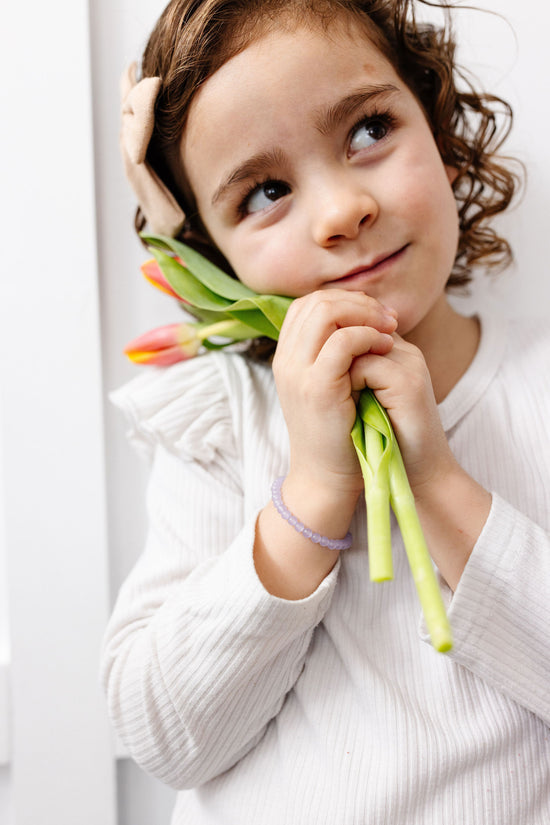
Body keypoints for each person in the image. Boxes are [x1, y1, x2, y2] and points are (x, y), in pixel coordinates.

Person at [101, 1, 550, 822]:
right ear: (212, 261)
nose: (342, 211)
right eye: (266, 191)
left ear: (440, 129)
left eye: (370, 129)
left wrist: (438, 482)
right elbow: (161, 732)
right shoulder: (222, 417)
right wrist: (310, 490)